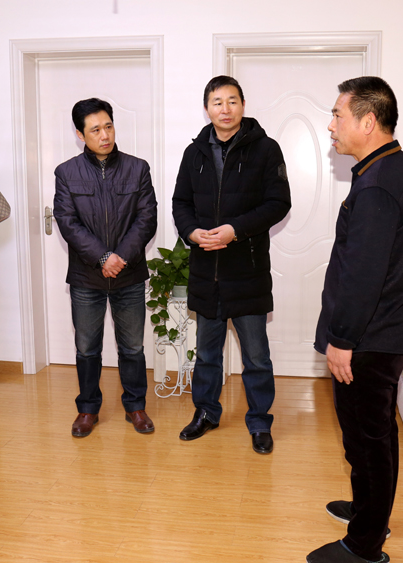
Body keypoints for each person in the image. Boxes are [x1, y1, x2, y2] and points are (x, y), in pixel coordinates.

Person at [310, 77, 403, 563]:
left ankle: (364, 546)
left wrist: (342, 339)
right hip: (378, 332)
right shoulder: (385, 170)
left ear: (368, 121)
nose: (331, 126)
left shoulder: (379, 183)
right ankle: (368, 513)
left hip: (368, 338)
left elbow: (364, 274)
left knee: (368, 439)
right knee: (367, 436)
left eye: (338, 115)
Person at [172, 75, 291, 454]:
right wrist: (192, 232)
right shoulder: (194, 153)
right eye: (217, 102)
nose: (225, 109)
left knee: (256, 357)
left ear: (243, 105)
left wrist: (235, 230)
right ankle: (206, 413)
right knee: (207, 355)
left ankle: (259, 422)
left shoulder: (266, 149)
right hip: (206, 273)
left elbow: (278, 203)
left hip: (247, 272)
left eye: (232, 101)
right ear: (207, 108)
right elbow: (180, 203)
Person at [53, 98, 158, 438]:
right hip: (87, 277)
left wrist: (119, 257)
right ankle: (87, 409)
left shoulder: (137, 168)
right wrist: (102, 258)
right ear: (81, 134)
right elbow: (68, 223)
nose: (105, 135)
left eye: (108, 126)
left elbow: (147, 218)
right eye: (95, 129)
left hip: (128, 273)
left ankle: (135, 406)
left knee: (132, 347)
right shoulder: (66, 173)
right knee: (87, 348)